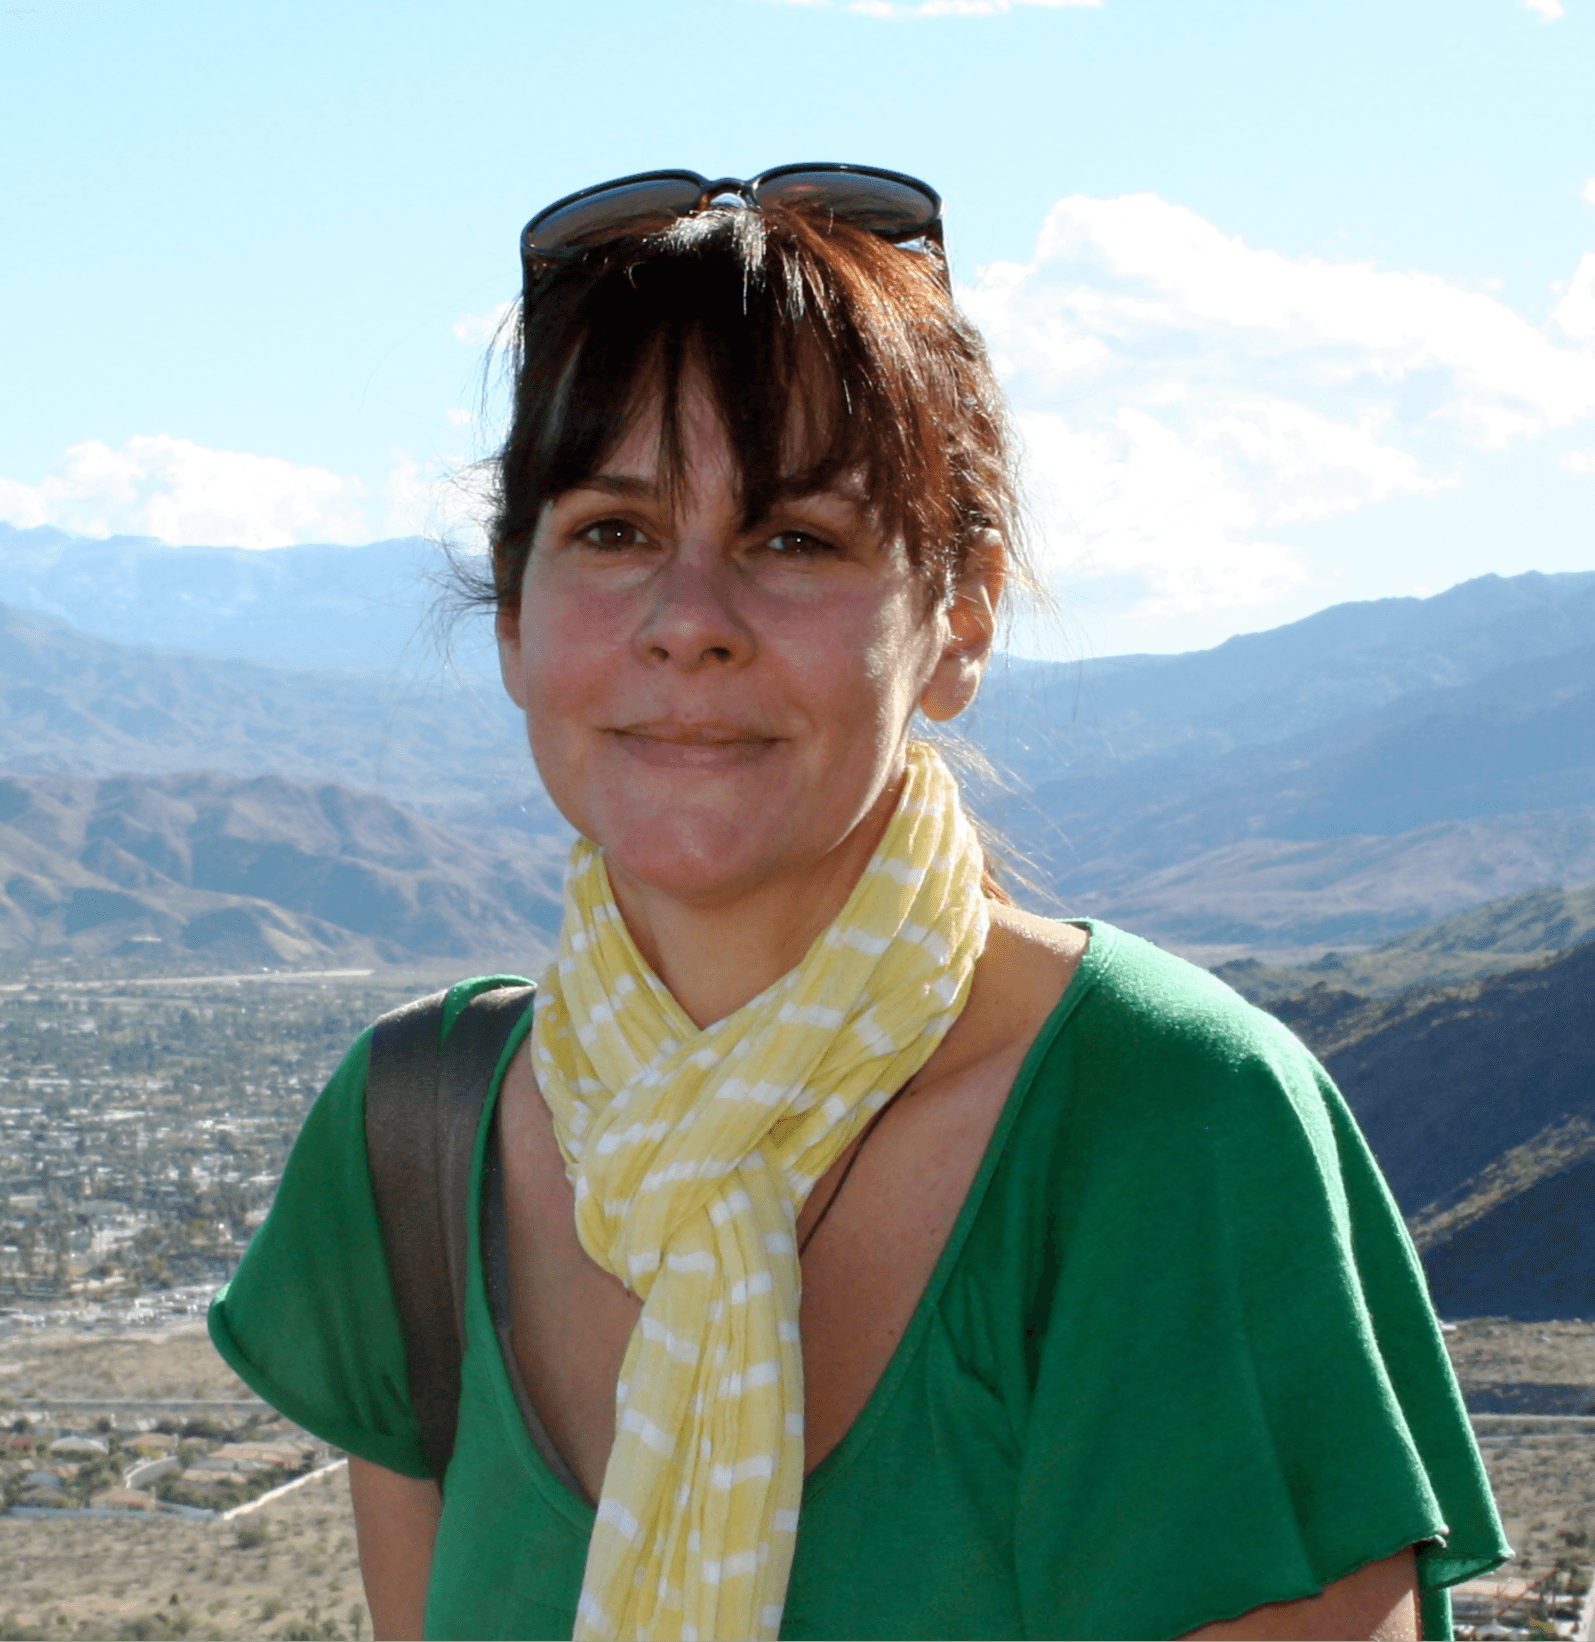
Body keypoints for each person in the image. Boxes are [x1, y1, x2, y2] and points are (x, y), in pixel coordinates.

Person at [208, 165, 1510, 1642]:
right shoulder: (414, 1141)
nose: (688, 620)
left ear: (956, 623)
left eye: (794, 538)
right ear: (513, 616)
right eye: (613, 531)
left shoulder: (1161, 1132)